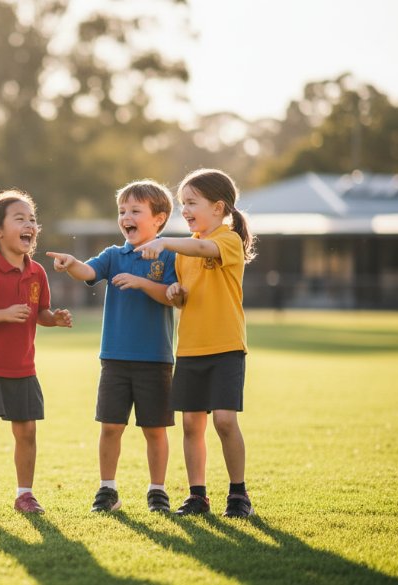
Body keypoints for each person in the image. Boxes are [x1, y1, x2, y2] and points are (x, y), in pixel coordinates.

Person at [46, 180, 177, 514]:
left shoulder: (171, 255)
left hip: (155, 357)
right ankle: (108, 490)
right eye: (122, 211)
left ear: (159, 219)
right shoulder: (113, 255)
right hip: (115, 358)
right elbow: (88, 271)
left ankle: (158, 491)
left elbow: (174, 297)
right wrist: (71, 263)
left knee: (154, 429)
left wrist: (142, 282)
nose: (126, 217)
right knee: (110, 426)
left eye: (135, 211)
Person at [134, 168, 257, 518]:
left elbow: (205, 247)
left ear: (218, 208)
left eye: (191, 203)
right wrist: (174, 292)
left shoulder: (227, 239)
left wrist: (164, 241)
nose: (184, 210)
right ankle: (197, 495)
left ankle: (238, 495)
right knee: (191, 425)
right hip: (189, 349)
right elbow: (182, 295)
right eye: (181, 204)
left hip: (226, 347)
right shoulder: (182, 251)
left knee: (224, 421)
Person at [0, 190, 72, 515]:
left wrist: (54, 319)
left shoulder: (38, 273)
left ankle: (25, 495)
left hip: (22, 367)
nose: (29, 225)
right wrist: (4, 314)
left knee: (27, 431)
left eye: (32, 219)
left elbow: (40, 313)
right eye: (19, 219)